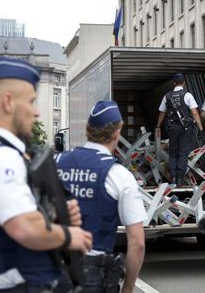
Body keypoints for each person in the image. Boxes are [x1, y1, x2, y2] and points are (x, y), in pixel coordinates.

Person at [0, 56, 93, 293]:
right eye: (32, 101)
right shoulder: (1, 158)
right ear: (8, 102)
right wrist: (68, 235)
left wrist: (57, 217)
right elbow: (24, 229)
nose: (36, 112)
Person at [54, 100, 147, 293]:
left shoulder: (56, 162)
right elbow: (137, 242)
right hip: (93, 277)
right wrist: (128, 288)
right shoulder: (119, 175)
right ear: (116, 132)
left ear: (88, 129)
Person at [156, 72, 204, 185]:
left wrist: (158, 125)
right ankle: (179, 178)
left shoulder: (167, 96)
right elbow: (194, 113)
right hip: (185, 128)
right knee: (183, 153)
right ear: (184, 83)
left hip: (172, 128)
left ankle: (173, 177)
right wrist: (200, 128)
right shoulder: (187, 95)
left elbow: (162, 112)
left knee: (173, 153)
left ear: (173, 83)